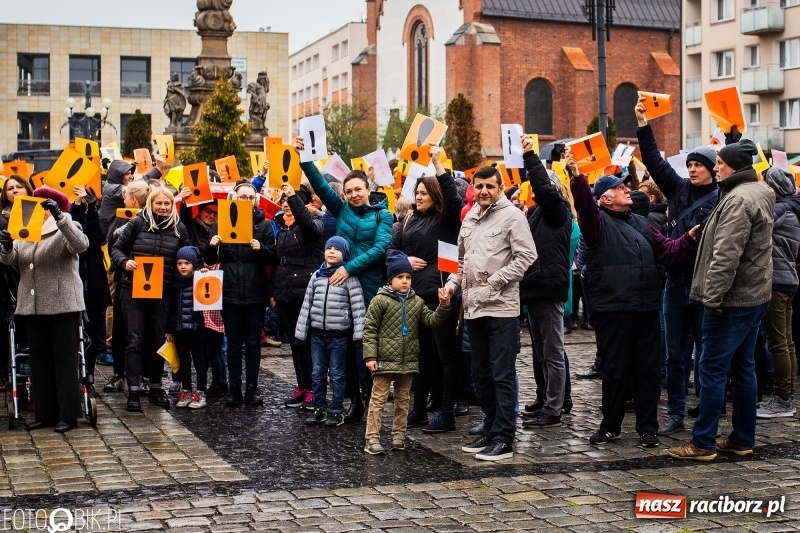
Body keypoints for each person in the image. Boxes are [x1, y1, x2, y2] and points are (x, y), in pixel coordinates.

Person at [568, 148, 699, 449]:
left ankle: (647, 427)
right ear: (605, 199)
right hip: (614, 308)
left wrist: (688, 240)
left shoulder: (641, 223)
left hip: (646, 308)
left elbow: (667, 250)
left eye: (625, 185)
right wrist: (577, 178)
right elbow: (585, 207)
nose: (626, 189)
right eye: (618, 187)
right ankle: (610, 425)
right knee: (615, 370)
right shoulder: (597, 221)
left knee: (648, 371)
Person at [668, 139, 774, 461]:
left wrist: (710, 300)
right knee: (743, 368)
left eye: (719, 162)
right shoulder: (758, 191)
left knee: (712, 370)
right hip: (754, 296)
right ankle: (743, 438)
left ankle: (703, 443)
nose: (715, 167)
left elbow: (726, 257)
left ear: (733, 166)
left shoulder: (738, 200)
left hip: (732, 301)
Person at [635, 97, 720, 437]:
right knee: (674, 356)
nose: (693, 168)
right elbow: (655, 162)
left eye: (700, 164)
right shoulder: (678, 188)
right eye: (692, 163)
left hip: (702, 286)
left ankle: (704, 406)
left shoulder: (720, 199)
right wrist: (643, 126)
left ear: (714, 169)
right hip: (674, 285)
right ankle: (675, 413)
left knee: (706, 354)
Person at [441, 166, 538, 461]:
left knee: (501, 375)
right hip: (472, 308)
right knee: (481, 374)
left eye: (489, 186)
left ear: (500, 187)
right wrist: (452, 285)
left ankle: (504, 437)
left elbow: (527, 256)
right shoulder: (470, 217)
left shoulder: (513, 216)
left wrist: (495, 281)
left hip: (501, 308)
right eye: (479, 186)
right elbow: (461, 260)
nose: (484, 191)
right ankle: (492, 426)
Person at [295, 136, 393, 421]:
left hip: (368, 288)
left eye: (358, 189)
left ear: (368, 189)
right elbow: (321, 185)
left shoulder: (383, 215)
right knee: (345, 350)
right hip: (340, 291)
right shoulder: (341, 210)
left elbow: (380, 248)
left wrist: (349, 267)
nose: (353, 195)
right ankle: (354, 402)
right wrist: (304, 158)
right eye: (349, 191)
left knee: (366, 348)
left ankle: (369, 401)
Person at [0, 187, 89, 432]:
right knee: (39, 362)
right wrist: (6, 246)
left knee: (64, 362)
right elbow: (10, 259)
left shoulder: (66, 228)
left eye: (43, 207)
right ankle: (45, 413)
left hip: (62, 304)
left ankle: (68, 415)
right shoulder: (26, 232)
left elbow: (81, 245)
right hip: (32, 306)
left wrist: (60, 217)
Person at [389, 145, 461, 433]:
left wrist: (437, 164)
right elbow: (392, 251)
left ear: (435, 195)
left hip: (439, 295)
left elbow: (454, 200)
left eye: (423, 193)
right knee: (420, 356)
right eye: (416, 193)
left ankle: (447, 413)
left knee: (446, 356)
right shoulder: (409, 219)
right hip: (414, 296)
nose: (418, 197)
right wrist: (403, 260)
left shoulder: (445, 219)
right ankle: (418, 410)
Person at [363, 251, 452, 454]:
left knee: (403, 400)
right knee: (379, 399)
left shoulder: (416, 301)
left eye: (408, 277)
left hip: (407, 360)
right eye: (400, 277)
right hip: (384, 359)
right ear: (390, 278)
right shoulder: (380, 301)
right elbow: (369, 330)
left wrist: (444, 306)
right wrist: (370, 356)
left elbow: (431, 320)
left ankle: (398, 435)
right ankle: (372, 438)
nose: (405, 281)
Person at [111, 186, 190, 411]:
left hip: (162, 292)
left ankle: (156, 386)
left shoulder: (179, 228)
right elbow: (117, 249)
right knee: (133, 339)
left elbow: (186, 255)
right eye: (159, 204)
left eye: (167, 204)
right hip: (133, 290)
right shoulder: (137, 223)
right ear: (151, 204)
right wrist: (125, 262)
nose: (163, 208)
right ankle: (134, 390)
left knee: (157, 341)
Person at [203, 182, 275, 408]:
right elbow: (210, 259)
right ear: (234, 199)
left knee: (253, 343)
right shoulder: (222, 221)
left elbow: (272, 257)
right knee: (234, 342)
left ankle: (251, 389)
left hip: (254, 291)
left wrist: (260, 249)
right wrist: (212, 244)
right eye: (242, 197)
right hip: (230, 291)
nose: (246, 200)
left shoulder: (264, 225)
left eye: (250, 197)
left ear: (256, 200)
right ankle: (234, 390)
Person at [518, 135, 573, 429]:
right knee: (539, 352)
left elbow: (543, 186)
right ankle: (544, 397)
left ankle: (554, 409)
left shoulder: (557, 210)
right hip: (534, 288)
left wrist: (530, 157)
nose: (533, 190)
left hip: (549, 288)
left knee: (552, 352)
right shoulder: (537, 212)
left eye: (538, 185)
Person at [295, 237, 366, 427]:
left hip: (339, 335)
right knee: (317, 372)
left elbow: (358, 308)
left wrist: (359, 335)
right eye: (329, 248)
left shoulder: (349, 278)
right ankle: (319, 408)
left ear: (345, 253)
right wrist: (301, 333)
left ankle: (336, 409)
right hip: (317, 334)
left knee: (336, 374)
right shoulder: (317, 276)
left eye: (337, 249)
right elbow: (307, 304)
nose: (332, 251)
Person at [273, 184, 324, 408]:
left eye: (290, 200)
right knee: (295, 343)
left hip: (304, 292)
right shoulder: (283, 229)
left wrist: (294, 197)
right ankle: (302, 387)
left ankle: (315, 388)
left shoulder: (313, 224)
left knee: (307, 342)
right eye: (283, 199)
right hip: (286, 293)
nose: (286, 203)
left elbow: (309, 227)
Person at [757, 167, 800, 418]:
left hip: (777, 281)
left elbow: (760, 222)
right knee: (787, 341)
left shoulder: (782, 209)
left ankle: (784, 400)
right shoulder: (793, 207)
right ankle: (787, 395)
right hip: (788, 281)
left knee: (778, 343)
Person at [103, 180, 151, 394]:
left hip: (139, 278)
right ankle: (125, 374)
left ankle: (135, 375)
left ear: (132, 200)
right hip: (126, 277)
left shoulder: (139, 222)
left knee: (133, 331)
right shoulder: (124, 220)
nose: (123, 200)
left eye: (125, 197)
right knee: (126, 329)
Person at [70, 185, 111, 397]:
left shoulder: (99, 217)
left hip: (93, 285)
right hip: (73, 283)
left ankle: (89, 379)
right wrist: (76, 207)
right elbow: (73, 234)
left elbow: (96, 238)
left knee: (92, 337)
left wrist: (92, 209)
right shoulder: (69, 215)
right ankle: (74, 378)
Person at [166, 246, 208, 409]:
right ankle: (186, 390)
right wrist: (169, 330)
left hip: (197, 327)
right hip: (179, 328)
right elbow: (171, 309)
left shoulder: (200, 279)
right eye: (180, 263)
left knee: (199, 362)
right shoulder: (174, 283)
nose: (183, 266)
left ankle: (201, 392)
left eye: (187, 263)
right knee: (183, 362)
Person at [0, 175, 32, 386]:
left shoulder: (39, 213)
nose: (15, 190)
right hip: (11, 278)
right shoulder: (2, 218)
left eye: (19, 186)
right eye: (10, 188)